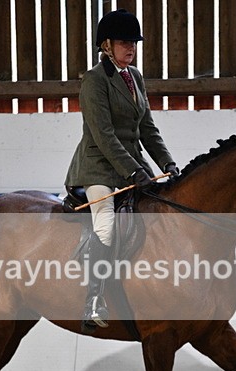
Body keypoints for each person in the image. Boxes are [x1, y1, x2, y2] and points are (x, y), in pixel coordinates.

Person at [65, 8, 180, 333]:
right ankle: (94, 299)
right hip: (98, 169)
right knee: (106, 224)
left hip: (133, 167)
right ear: (106, 46)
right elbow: (104, 136)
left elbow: (147, 128)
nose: (130, 48)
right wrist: (132, 172)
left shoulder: (136, 77)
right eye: (123, 42)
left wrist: (167, 163)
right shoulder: (94, 81)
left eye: (133, 42)